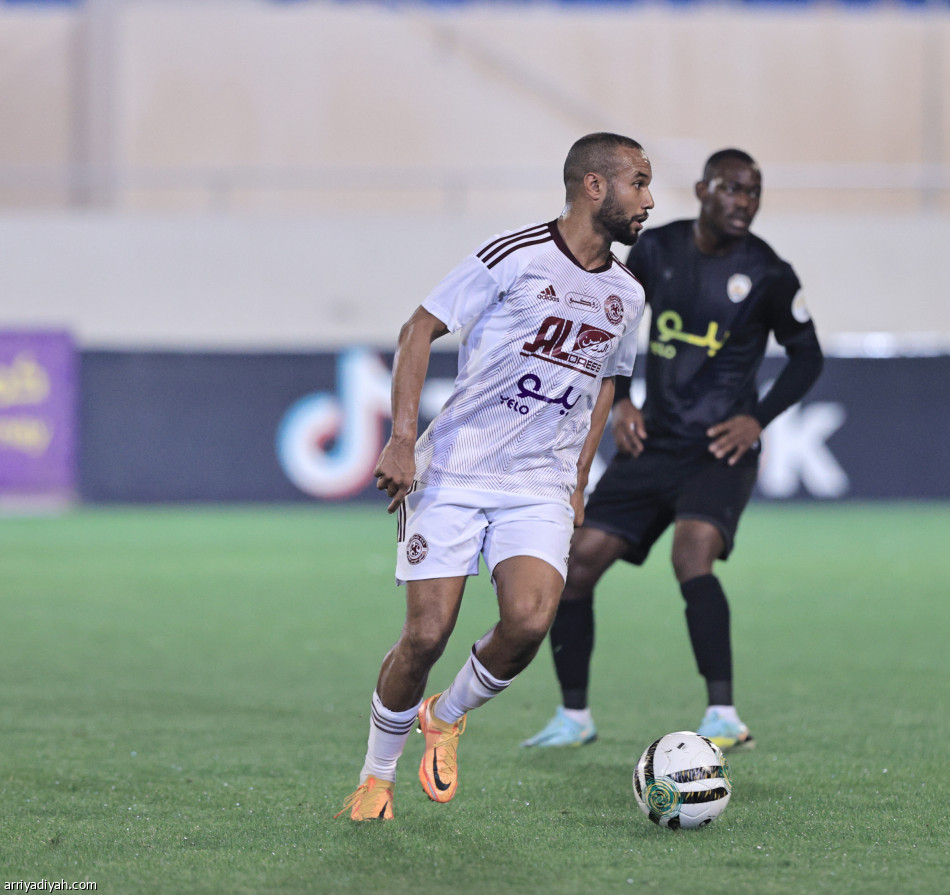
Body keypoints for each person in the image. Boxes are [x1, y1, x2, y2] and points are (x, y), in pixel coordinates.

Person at [335, 133, 654, 820]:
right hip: (456, 469)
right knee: (426, 635)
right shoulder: (516, 255)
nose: (648, 200)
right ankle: (376, 778)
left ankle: (446, 716)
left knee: (530, 621)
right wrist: (401, 440)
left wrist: (577, 478)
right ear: (594, 185)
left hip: (538, 484)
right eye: (638, 182)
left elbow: (606, 382)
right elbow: (418, 328)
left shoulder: (628, 294)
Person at [522, 148, 823, 753]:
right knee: (577, 566)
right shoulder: (657, 249)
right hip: (653, 443)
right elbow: (618, 325)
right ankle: (573, 716)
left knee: (692, 556)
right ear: (703, 190)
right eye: (732, 189)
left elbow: (807, 356)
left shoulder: (769, 273)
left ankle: (722, 714)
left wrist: (756, 419)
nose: (744, 202)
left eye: (753, 192)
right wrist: (625, 402)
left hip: (718, 450)